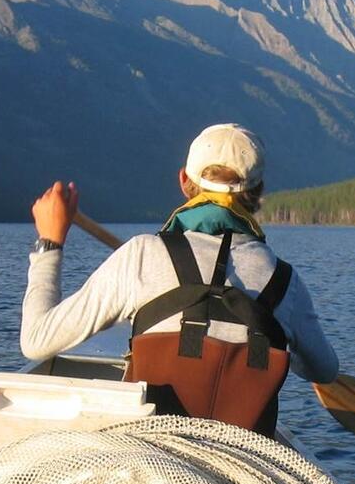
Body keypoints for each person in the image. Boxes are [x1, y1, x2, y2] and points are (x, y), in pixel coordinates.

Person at [20, 123, 338, 434]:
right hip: (240, 458)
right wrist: (286, 334)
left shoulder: (142, 255)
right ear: (258, 193)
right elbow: (324, 370)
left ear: (184, 180)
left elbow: (36, 341)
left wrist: (49, 243)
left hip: (150, 450)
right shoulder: (284, 281)